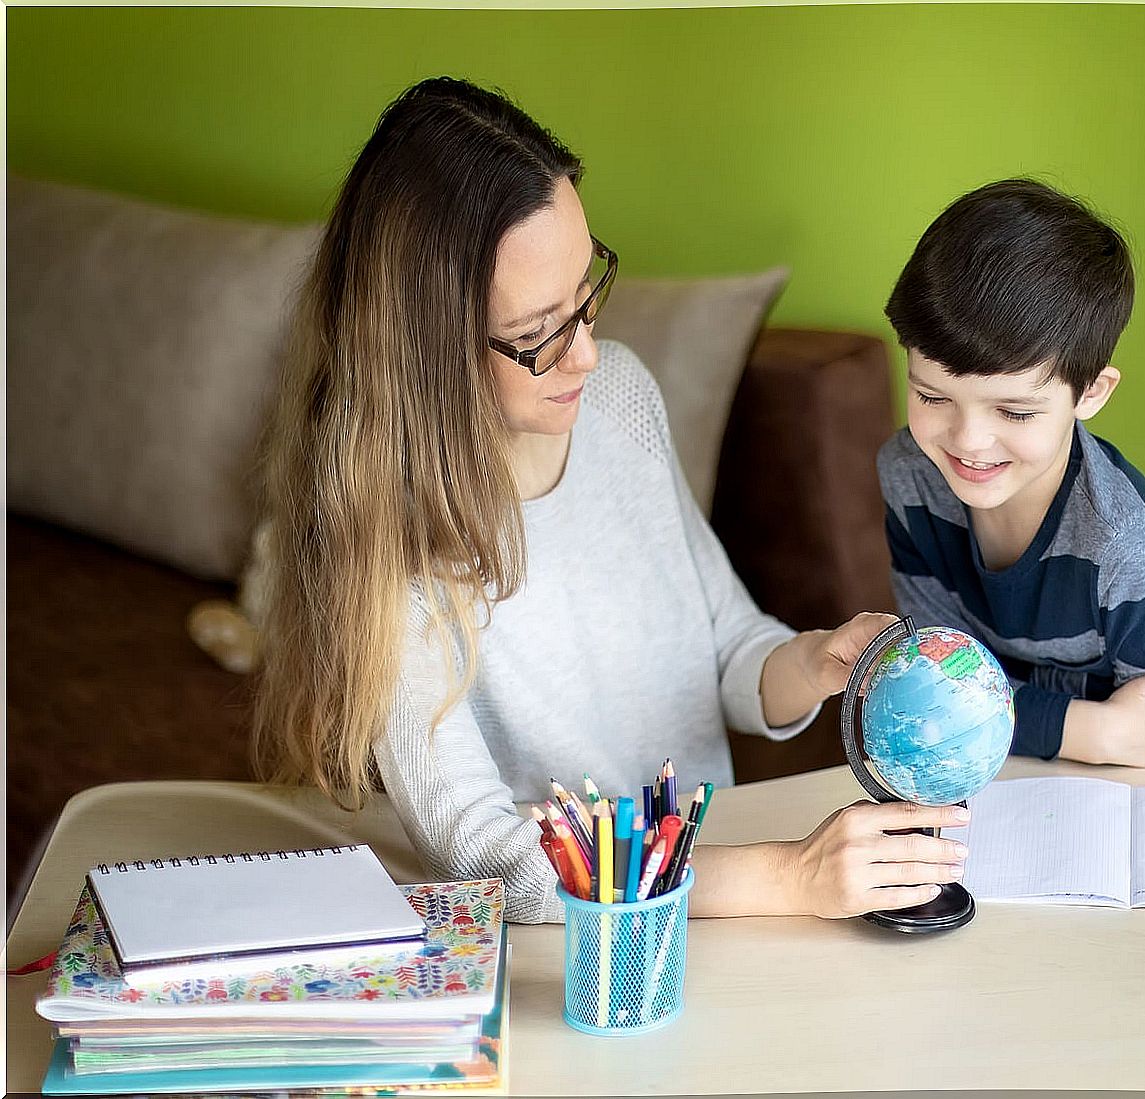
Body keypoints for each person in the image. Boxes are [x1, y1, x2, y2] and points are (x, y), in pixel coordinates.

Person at [253, 76, 967, 924]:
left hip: (707, 908)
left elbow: (728, 646)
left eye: (586, 295)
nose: (587, 353)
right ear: (425, 356)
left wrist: (814, 662)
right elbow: (493, 859)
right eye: (537, 334)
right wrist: (787, 876)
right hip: (578, 950)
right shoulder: (386, 544)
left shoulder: (620, 396)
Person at [877, 178, 1145, 769]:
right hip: (1017, 763)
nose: (967, 442)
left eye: (1014, 411)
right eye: (932, 397)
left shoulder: (1128, 547)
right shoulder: (908, 477)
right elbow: (935, 688)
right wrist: (1084, 730)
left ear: (1091, 393)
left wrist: (1087, 732)